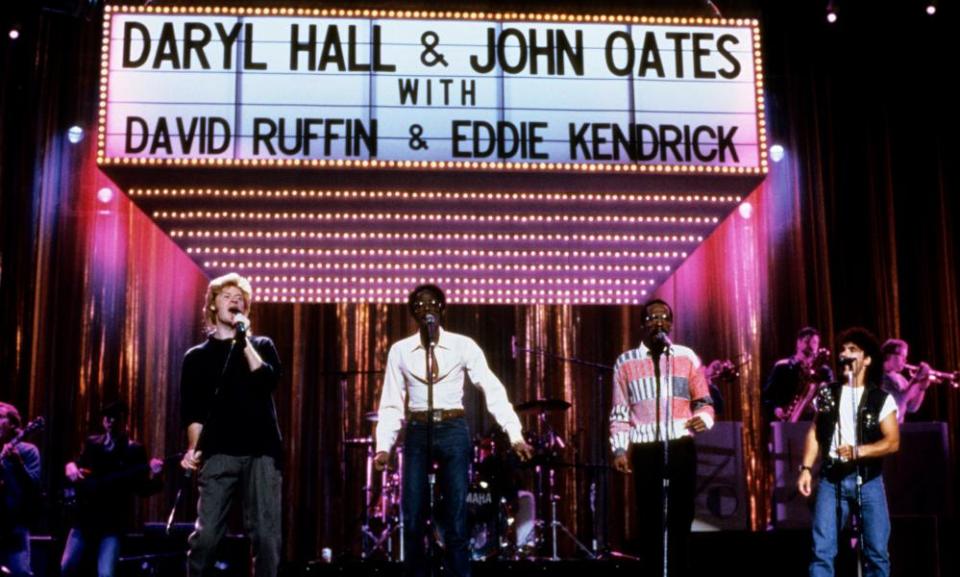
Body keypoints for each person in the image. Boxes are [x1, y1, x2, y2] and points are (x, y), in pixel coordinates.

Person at [373, 284, 533, 577]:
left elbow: (491, 387)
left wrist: (515, 434)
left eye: (432, 304)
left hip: (453, 428)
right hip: (419, 429)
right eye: (419, 306)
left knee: (457, 516)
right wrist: (384, 445)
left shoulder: (463, 345)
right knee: (412, 515)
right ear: (413, 314)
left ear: (442, 309)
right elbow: (392, 403)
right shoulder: (400, 351)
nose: (426, 309)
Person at [179, 273, 283, 577]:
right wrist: (193, 449)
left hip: (261, 452)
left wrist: (244, 341)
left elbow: (267, 381)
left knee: (266, 537)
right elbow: (193, 412)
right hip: (218, 453)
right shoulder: (196, 357)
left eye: (241, 298)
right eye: (227, 296)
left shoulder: (262, 345)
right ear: (213, 305)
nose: (235, 300)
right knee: (206, 537)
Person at [609, 299, 714, 577]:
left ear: (671, 324)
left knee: (681, 517)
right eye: (653, 318)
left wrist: (703, 419)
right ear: (643, 324)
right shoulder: (626, 362)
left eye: (665, 318)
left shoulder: (685, 356)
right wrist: (620, 449)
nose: (659, 322)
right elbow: (619, 412)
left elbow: (704, 400)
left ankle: (679, 571)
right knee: (651, 519)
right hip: (645, 448)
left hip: (680, 444)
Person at [797, 327, 899, 577]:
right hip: (832, 480)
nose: (845, 353)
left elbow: (892, 441)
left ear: (867, 359)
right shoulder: (827, 393)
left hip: (869, 481)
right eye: (843, 349)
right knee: (822, 552)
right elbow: (814, 432)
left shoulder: (880, 399)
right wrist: (807, 468)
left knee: (876, 553)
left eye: (852, 350)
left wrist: (858, 451)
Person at [60, 401, 164, 577]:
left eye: (116, 417)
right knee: (67, 566)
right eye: (107, 417)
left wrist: (156, 475)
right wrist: (70, 466)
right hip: (85, 518)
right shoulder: (93, 443)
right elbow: (78, 467)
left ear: (125, 421)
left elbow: (143, 489)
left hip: (112, 523)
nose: (110, 420)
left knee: (106, 573)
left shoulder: (134, 450)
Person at [0, 402, 41, 577]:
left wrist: (18, 464)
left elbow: (33, 485)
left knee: (20, 572)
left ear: (13, 424)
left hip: (14, 525)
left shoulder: (28, 450)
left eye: (0, 417)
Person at [762, 326, 835, 423]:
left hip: (815, 424)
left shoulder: (824, 371)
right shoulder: (782, 367)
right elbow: (767, 397)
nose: (810, 346)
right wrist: (776, 409)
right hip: (786, 423)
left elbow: (832, 399)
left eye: (814, 342)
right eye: (807, 341)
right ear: (798, 343)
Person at [880, 338, 931, 423]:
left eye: (906, 357)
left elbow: (912, 408)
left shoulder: (901, 379)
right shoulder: (879, 377)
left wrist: (922, 388)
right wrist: (916, 379)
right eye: (902, 356)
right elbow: (899, 400)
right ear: (889, 356)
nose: (905, 360)